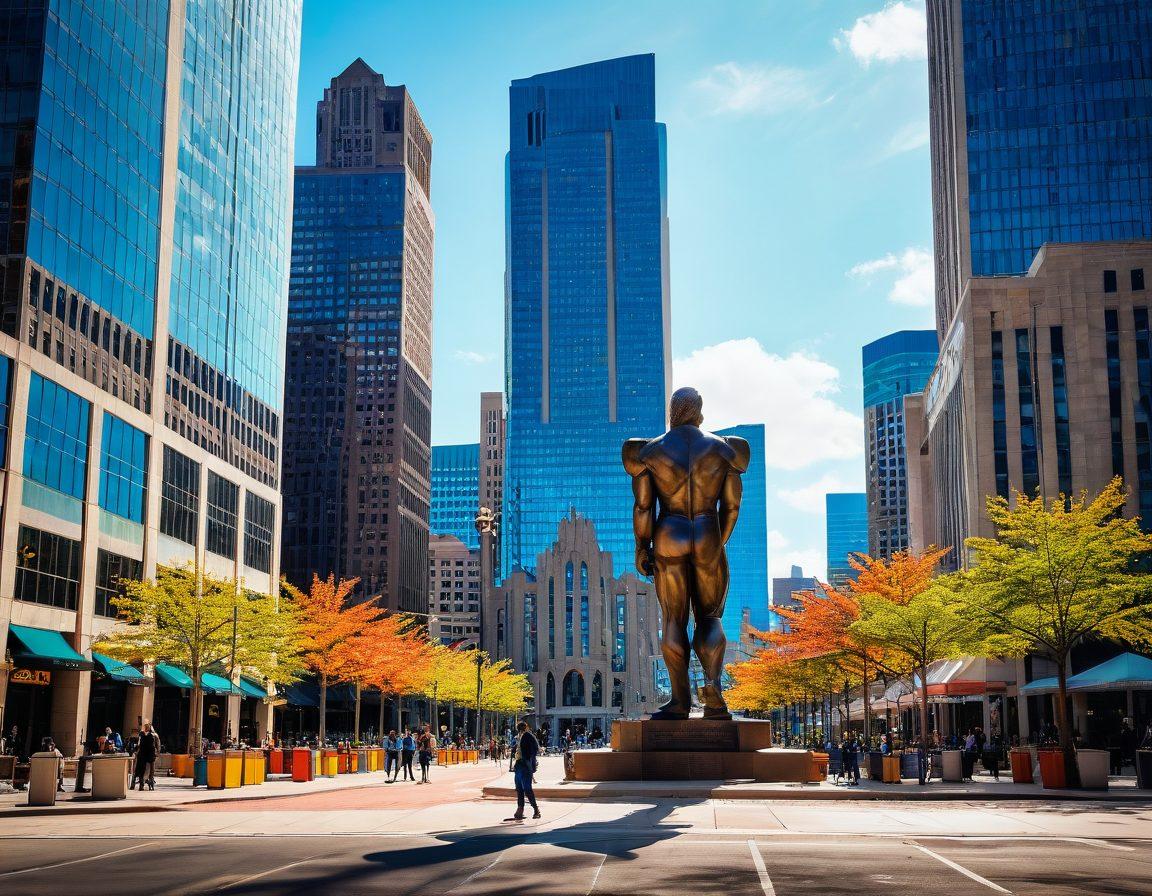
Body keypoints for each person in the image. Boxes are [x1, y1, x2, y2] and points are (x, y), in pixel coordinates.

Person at [504, 720, 540, 821]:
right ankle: (520, 809)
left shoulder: (528, 735)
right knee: (519, 788)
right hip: (519, 765)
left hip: (525, 765)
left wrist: (530, 761)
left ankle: (536, 810)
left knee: (527, 788)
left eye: (520, 728)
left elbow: (535, 748)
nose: (520, 730)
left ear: (524, 728)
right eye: (519, 729)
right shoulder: (519, 737)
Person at [132, 722, 161, 791]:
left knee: (151, 770)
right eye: (145, 727)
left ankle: (150, 782)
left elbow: (158, 745)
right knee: (141, 769)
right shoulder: (142, 734)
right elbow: (139, 744)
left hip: (150, 754)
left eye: (147, 727)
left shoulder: (154, 735)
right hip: (143, 754)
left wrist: (157, 753)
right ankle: (141, 785)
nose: (146, 728)